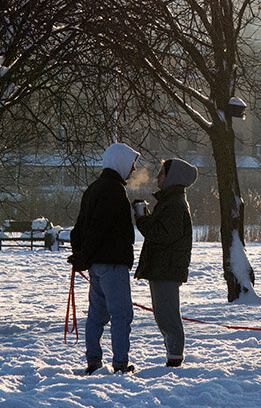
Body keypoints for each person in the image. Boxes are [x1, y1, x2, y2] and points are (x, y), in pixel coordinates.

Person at [69, 142, 139, 375]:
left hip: (96, 266)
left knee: (97, 315)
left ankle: (93, 360)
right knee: (121, 314)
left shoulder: (94, 188)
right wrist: (83, 255)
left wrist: (82, 255)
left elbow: (79, 228)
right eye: (131, 164)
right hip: (113, 263)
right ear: (119, 163)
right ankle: (120, 363)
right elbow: (99, 227)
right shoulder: (114, 190)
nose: (133, 170)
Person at [133, 157, 196, 368]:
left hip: (166, 268)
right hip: (162, 267)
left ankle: (175, 358)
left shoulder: (175, 204)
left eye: (162, 173)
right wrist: (147, 216)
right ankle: (173, 355)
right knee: (163, 315)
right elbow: (163, 231)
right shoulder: (170, 202)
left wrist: (142, 218)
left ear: (172, 178)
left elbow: (161, 235)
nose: (158, 176)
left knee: (167, 316)